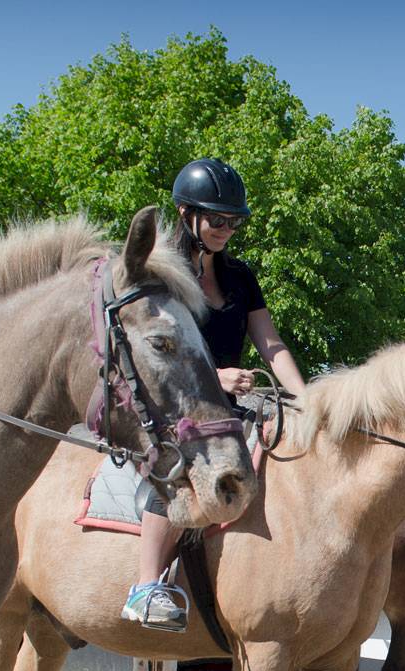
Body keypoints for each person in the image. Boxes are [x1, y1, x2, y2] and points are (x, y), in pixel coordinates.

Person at [122, 158, 307, 630]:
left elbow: (272, 344)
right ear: (187, 215)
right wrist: (217, 377)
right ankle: (145, 586)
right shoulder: (164, 275)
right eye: (218, 219)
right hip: (179, 404)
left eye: (235, 221)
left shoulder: (241, 278)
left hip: (229, 407)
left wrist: (307, 397)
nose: (227, 229)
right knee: (174, 466)